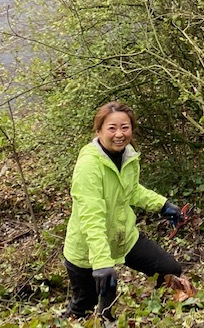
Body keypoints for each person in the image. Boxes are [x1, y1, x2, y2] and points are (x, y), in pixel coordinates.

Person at [63, 102, 184, 321]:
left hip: (122, 237)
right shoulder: (89, 165)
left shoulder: (128, 155)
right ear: (99, 130)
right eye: (112, 128)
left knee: (170, 270)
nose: (119, 134)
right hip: (88, 250)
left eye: (125, 127)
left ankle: (160, 311)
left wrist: (163, 205)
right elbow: (91, 217)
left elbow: (132, 190)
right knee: (86, 308)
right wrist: (102, 264)